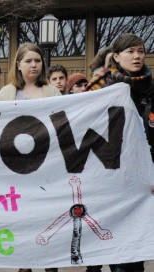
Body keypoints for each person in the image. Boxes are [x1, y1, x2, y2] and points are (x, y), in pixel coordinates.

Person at [83, 34, 153, 272]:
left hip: (140, 181)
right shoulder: (99, 87)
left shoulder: (150, 88)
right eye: (130, 51)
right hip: (105, 179)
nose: (137, 56)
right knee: (101, 248)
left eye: (141, 51)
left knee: (131, 258)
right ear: (116, 56)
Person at [0, 43, 60, 272]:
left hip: (46, 171)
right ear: (18, 65)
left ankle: (50, 265)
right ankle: (24, 264)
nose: (34, 65)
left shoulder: (52, 91)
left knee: (47, 218)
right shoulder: (6, 93)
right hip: (17, 171)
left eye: (37, 60)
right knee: (23, 221)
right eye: (28, 61)